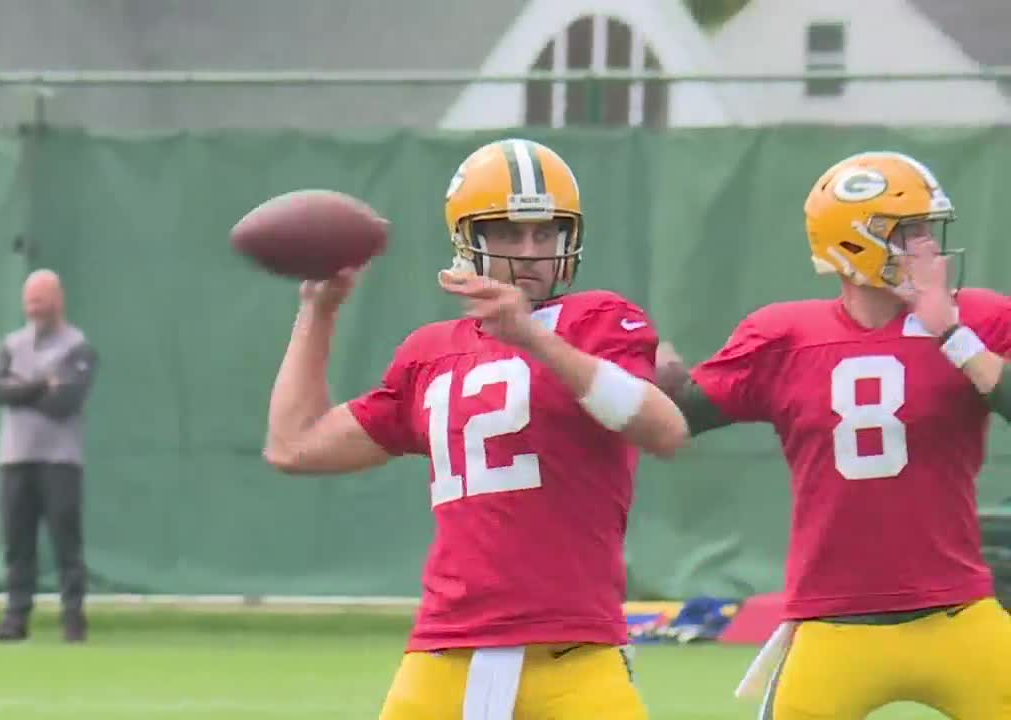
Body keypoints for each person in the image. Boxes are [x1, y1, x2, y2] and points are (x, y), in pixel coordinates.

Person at [263, 138, 687, 719]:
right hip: (446, 650)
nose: (532, 251)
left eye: (546, 233)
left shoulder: (595, 319)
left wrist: (532, 336)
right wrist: (319, 309)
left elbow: (663, 430)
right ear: (470, 240)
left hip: (573, 649)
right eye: (509, 233)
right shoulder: (431, 353)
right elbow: (294, 445)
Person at [656, 151, 1011, 719]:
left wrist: (952, 333)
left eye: (928, 229)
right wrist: (652, 381)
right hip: (833, 621)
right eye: (910, 231)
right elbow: (675, 420)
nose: (928, 247)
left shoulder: (978, 321)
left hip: (958, 611)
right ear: (857, 242)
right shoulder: (785, 336)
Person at [0, 269, 99, 643]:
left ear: (58, 299)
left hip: (60, 461)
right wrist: (39, 384)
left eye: (40, 298)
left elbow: (64, 402)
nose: (33, 305)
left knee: (66, 542)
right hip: (15, 459)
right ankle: (15, 620)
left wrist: (21, 388)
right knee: (17, 543)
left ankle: (73, 620)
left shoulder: (78, 347)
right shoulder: (11, 344)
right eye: (29, 298)